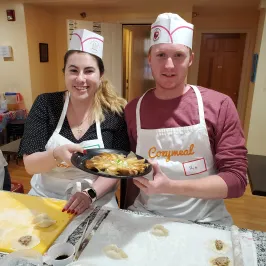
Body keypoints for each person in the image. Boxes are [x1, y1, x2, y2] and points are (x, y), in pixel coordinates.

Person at [124, 13, 248, 225]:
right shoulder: (133, 109)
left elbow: (236, 180)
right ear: (150, 59)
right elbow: (132, 172)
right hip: (147, 215)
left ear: (191, 59)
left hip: (206, 219)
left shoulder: (219, 105)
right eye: (161, 55)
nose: (169, 65)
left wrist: (170, 186)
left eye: (178, 55)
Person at [18, 29, 129, 215]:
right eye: (73, 70)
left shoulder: (113, 112)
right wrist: (56, 154)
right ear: (64, 73)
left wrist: (90, 194)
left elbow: (117, 166)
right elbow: (30, 165)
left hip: (97, 199)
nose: (80, 78)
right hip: (46, 198)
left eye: (89, 71)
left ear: (100, 75)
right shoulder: (46, 104)